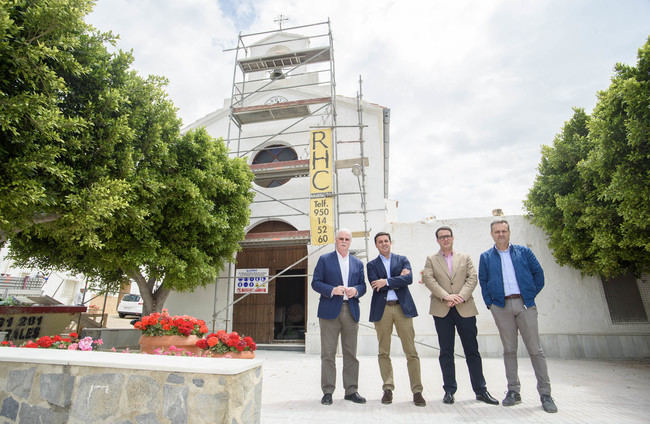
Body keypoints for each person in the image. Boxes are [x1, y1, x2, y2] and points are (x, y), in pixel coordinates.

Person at [478, 219, 558, 413]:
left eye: (504, 231)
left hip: (524, 304)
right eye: (497, 232)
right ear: (492, 234)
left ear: (509, 232)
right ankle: (513, 391)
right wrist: (491, 304)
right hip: (501, 306)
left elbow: (538, 274)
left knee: (535, 350)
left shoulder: (524, 252)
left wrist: (529, 295)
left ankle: (545, 394)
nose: (501, 234)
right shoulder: (486, 257)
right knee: (509, 350)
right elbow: (483, 280)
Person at [422, 226, 499, 406]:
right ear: (437, 240)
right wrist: (446, 296)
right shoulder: (431, 260)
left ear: (453, 238)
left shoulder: (465, 257)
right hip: (442, 309)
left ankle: (481, 390)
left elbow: (472, 278)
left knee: (472, 351)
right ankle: (449, 390)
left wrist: (460, 296)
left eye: (448, 236)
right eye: (441, 237)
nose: (445, 239)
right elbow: (429, 279)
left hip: (465, 308)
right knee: (446, 352)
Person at [367, 232, 425, 407]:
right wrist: (396, 280)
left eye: (386, 241)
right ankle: (388, 388)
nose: (384, 244)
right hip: (382, 309)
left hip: (402, 308)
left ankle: (417, 391)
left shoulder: (402, 259)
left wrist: (386, 281)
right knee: (383, 351)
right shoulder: (371, 265)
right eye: (380, 242)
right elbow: (375, 284)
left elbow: (408, 279)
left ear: (391, 242)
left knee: (411, 351)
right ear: (376, 245)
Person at [311, 228, 367, 405]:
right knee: (328, 353)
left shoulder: (357, 263)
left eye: (347, 239)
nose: (344, 241)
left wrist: (356, 290)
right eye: (341, 238)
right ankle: (328, 391)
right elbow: (315, 282)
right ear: (336, 241)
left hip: (350, 310)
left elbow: (363, 286)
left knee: (351, 353)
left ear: (350, 242)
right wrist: (331, 290)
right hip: (329, 311)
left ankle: (351, 390)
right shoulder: (324, 259)